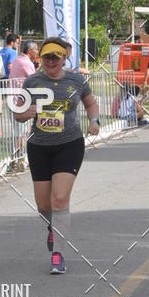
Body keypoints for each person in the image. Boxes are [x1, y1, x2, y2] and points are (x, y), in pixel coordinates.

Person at [14, 37, 100, 275]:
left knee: (59, 199)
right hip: (39, 146)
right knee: (43, 206)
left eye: (55, 57)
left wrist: (94, 120)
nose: (51, 61)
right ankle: (53, 227)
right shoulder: (32, 81)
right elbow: (17, 113)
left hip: (69, 144)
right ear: (40, 59)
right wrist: (24, 112)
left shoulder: (76, 80)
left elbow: (91, 103)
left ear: (64, 58)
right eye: (46, 57)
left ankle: (58, 255)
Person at [7, 40, 39, 171]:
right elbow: (35, 80)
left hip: (14, 100)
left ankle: (16, 159)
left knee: (19, 132)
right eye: (36, 49)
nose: (37, 51)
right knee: (22, 133)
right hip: (20, 101)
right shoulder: (25, 62)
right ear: (29, 51)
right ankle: (19, 159)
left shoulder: (18, 60)